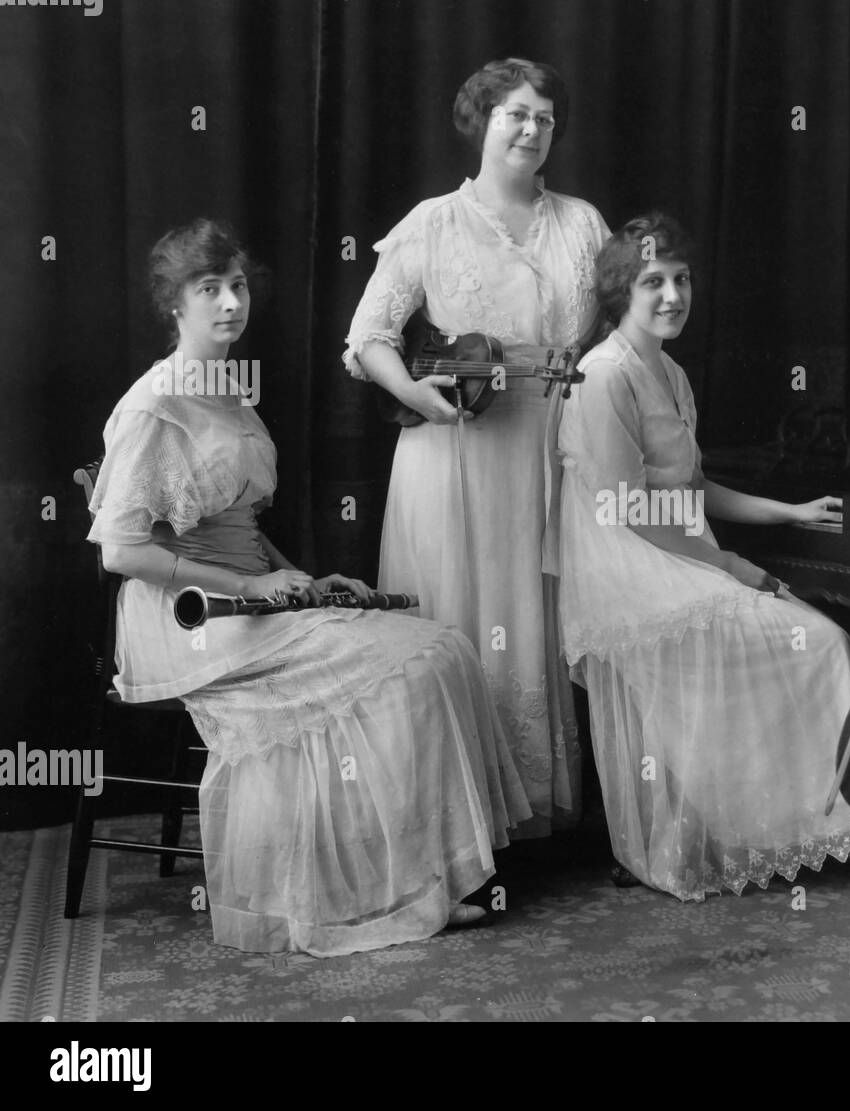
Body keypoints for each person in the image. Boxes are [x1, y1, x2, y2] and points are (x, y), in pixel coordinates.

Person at [89, 219, 532, 956]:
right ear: (175, 305)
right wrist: (248, 586)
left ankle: (419, 873)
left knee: (442, 648)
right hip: (186, 615)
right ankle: (382, 887)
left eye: (236, 286)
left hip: (247, 592)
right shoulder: (152, 407)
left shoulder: (229, 390)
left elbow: (239, 520)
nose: (231, 303)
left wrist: (301, 575)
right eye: (210, 290)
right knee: (412, 668)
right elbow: (122, 549)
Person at [556, 213, 850, 901]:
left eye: (681, 279)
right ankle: (811, 825)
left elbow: (691, 488)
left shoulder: (669, 370)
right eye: (653, 282)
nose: (673, 295)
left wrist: (787, 513)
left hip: (679, 552)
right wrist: (741, 569)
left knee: (815, 639)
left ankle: (796, 825)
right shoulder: (605, 373)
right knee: (818, 641)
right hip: (630, 571)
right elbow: (631, 511)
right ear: (621, 293)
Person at [344, 58, 609, 838]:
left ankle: (532, 805)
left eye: (546, 118)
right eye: (515, 114)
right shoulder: (432, 223)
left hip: (552, 451)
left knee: (535, 612)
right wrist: (413, 393)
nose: (531, 129)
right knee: (461, 617)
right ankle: (451, 825)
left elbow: (612, 335)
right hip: (455, 456)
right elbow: (368, 339)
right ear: (482, 119)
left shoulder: (584, 223)